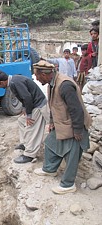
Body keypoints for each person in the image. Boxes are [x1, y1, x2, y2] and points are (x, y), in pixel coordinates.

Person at [33, 60, 92, 194]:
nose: (36, 78)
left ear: (44, 74)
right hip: (63, 123)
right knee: (50, 143)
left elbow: (76, 110)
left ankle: (68, 184)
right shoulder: (51, 83)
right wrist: (52, 121)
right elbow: (54, 104)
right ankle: (49, 169)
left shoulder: (65, 85)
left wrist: (78, 130)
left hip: (75, 124)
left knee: (72, 155)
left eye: (37, 75)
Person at [0, 71, 49, 164]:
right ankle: (25, 143)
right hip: (33, 104)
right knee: (21, 120)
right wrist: (24, 108)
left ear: (2, 82)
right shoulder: (14, 81)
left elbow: (27, 97)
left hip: (38, 105)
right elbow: (24, 96)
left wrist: (29, 114)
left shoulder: (15, 82)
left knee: (32, 128)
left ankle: (30, 155)